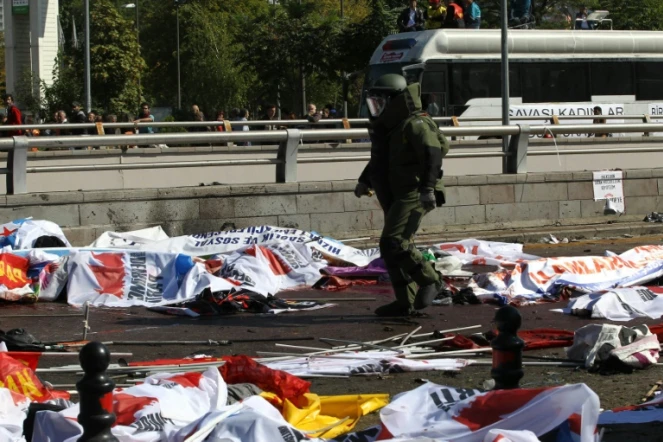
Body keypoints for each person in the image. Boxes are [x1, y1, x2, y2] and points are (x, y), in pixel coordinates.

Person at [354, 73, 449, 317]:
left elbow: (432, 155)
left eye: (380, 102)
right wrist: (365, 180)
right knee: (392, 247)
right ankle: (404, 302)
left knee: (394, 242)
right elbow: (383, 159)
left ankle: (431, 280)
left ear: (395, 101)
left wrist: (427, 189)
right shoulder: (393, 127)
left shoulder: (416, 123)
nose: (376, 109)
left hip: (414, 192)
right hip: (397, 191)